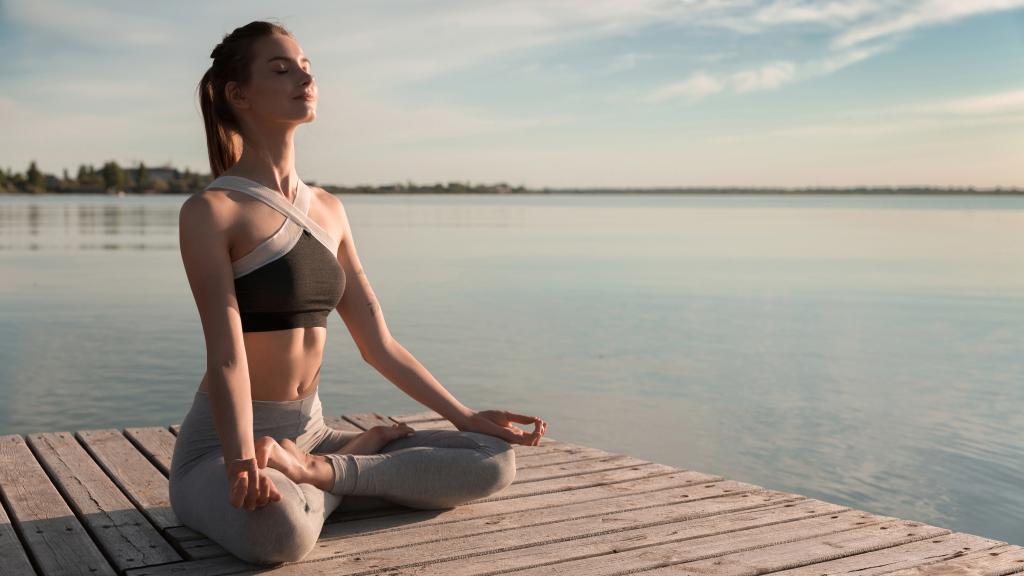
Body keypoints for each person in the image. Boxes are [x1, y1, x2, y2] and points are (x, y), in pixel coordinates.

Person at [168, 20, 548, 566]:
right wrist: (240, 461)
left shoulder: (330, 210)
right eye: (281, 69)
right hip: (226, 447)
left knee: (492, 459)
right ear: (238, 94)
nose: (304, 77)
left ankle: (323, 473)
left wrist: (464, 416)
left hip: (312, 434)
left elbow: (379, 344)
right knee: (279, 536)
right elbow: (227, 358)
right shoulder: (211, 212)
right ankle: (349, 467)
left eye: (306, 68)